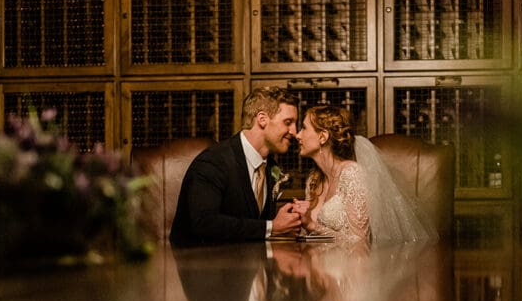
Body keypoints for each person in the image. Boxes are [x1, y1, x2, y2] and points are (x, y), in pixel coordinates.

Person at [170, 87, 304, 246]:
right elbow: (203, 223)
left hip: (250, 264)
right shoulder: (213, 162)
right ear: (262, 119)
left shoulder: (271, 167)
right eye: (288, 122)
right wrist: (271, 227)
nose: (295, 132)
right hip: (202, 264)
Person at [291, 105, 437, 245]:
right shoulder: (314, 180)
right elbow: (310, 238)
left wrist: (311, 225)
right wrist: (300, 220)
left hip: (349, 268)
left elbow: (359, 240)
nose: (297, 135)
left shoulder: (352, 174)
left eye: (303, 128)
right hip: (317, 265)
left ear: (322, 137)